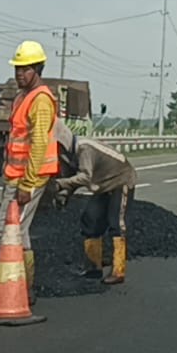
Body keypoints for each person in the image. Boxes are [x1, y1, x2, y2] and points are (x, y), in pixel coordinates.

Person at [0, 40, 59, 305]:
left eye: (25, 69)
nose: (19, 74)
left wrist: (28, 183)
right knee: (19, 232)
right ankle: (24, 289)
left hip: (29, 177)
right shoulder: (22, 97)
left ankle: (15, 287)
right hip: (15, 174)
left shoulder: (41, 100)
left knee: (3, 231)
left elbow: (39, 143)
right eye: (17, 69)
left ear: (38, 69)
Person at [53, 121, 137, 285]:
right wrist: (63, 197)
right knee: (90, 219)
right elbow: (71, 180)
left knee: (117, 222)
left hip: (121, 180)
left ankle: (118, 271)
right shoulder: (67, 155)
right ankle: (93, 268)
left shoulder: (84, 149)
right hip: (102, 186)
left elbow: (84, 177)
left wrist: (59, 185)